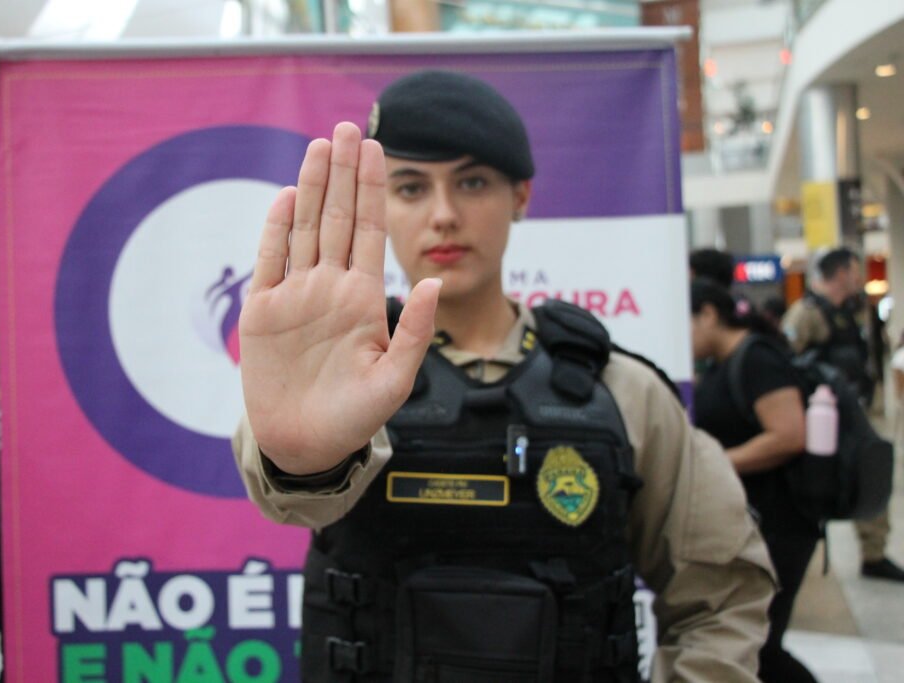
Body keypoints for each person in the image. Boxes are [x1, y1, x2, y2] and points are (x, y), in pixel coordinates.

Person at [234, 70, 775, 682]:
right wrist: (305, 459)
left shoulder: (621, 393)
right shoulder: (339, 379)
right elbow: (290, 496)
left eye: (472, 182)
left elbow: (723, 593)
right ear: (381, 204)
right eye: (410, 188)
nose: (443, 215)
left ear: (520, 196)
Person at [690, 278, 819, 683]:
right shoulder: (722, 365)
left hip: (781, 524)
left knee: (760, 644)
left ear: (709, 314)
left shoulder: (757, 358)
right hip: (754, 522)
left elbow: (789, 435)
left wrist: (715, 463)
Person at [782, 248, 904, 582]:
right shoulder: (805, 314)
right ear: (839, 274)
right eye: (854, 270)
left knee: (871, 474)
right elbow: (786, 363)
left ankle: (874, 552)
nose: (859, 277)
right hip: (823, 421)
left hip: (856, 411)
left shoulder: (852, 312)